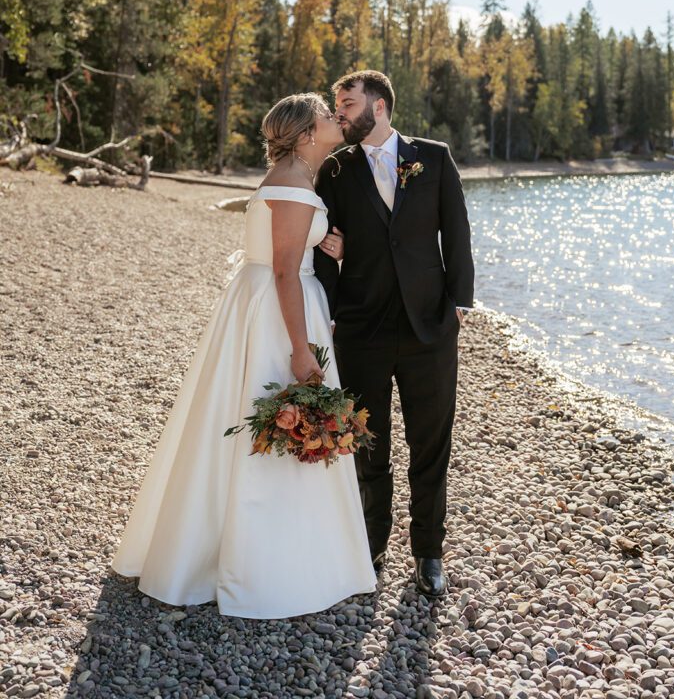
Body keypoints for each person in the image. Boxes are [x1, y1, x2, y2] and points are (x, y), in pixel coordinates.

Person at [112, 93, 376, 618]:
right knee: (279, 410)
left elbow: (282, 258)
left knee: (250, 418)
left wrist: (331, 247)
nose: (335, 119)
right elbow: (284, 270)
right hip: (280, 313)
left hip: (261, 304)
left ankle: (228, 549)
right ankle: (267, 566)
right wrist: (300, 349)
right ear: (305, 134)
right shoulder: (296, 186)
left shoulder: (290, 179)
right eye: (327, 115)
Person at [314, 70, 475, 597]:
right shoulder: (336, 169)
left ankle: (429, 553)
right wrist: (331, 303)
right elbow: (324, 242)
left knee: (431, 442)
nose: (339, 112)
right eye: (337, 104)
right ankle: (371, 546)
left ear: (378, 106)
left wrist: (459, 306)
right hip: (361, 327)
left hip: (429, 325)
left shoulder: (433, 156)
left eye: (347, 103)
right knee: (368, 441)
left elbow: (456, 231)